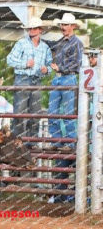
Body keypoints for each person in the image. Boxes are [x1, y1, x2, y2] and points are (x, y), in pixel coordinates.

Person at [46, 13, 83, 203]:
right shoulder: (60, 41)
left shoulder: (77, 43)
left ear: (73, 26)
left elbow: (77, 64)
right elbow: (50, 45)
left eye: (67, 24)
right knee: (53, 111)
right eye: (62, 24)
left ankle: (68, 141)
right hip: (59, 77)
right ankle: (57, 139)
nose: (64, 27)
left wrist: (60, 68)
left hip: (67, 77)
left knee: (68, 113)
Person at [7, 17, 52, 143]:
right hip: (23, 79)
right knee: (20, 113)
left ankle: (32, 142)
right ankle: (18, 141)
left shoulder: (45, 47)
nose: (32, 30)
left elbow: (50, 66)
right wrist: (25, 63)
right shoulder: (21, 43)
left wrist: (46, 70)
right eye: (30, 28)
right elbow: (9, 60)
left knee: (35, 113)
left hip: (37, 80)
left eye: (34, 28)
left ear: (40, 30)